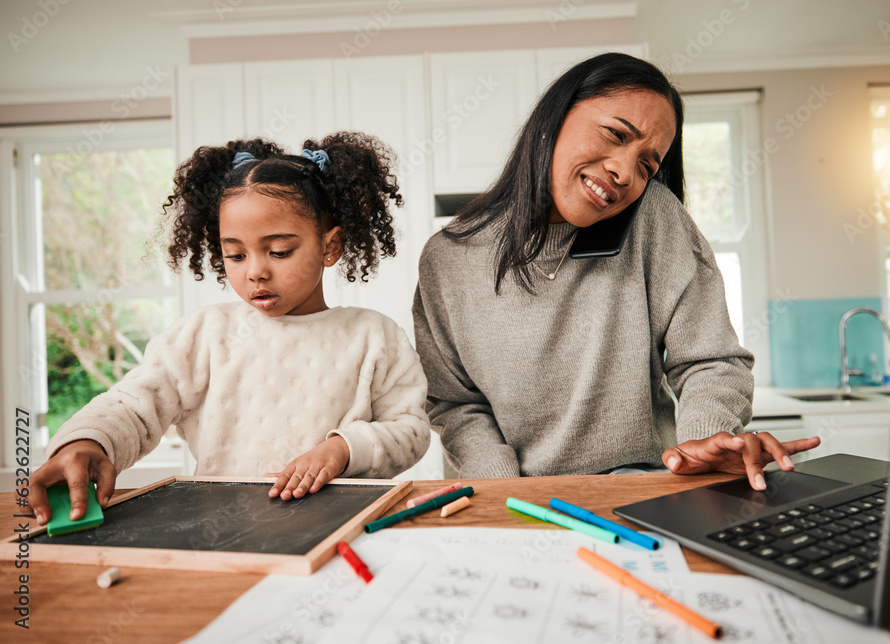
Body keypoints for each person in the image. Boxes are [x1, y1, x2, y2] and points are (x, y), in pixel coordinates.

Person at [413, 53, 818, 489]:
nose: (625, 172)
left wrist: (704, 443)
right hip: (517, 498)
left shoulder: (655, 219)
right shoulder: (448, 258)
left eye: (647, 164)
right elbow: (455, 402)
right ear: (556, 116)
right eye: (615, 134)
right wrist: (502, 488)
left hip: (641, 488)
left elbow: (711, 360)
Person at [29, 133, 431, 525]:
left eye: (279, 251)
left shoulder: (374, 336)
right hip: (221, 531)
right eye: (235, 255)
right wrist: (88, 440)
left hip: (343, 530)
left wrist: (343, 449)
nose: (255, 271)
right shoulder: (206, 333)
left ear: (330, 246)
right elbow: (134, 406)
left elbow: (411, 430)